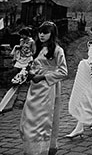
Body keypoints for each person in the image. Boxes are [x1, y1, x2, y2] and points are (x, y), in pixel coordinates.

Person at [20, 21, 68, 155]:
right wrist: (29, 73)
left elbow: (64, 72)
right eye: (40, 32)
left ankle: (41, 148)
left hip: (48, 88)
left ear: (52, 34)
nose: (41, 35)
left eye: (45, 33)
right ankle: (30, 147)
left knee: (42, 118)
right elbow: (34, 65)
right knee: (29, 116)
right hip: (34, 88)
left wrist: (43, 77)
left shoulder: (57, 50)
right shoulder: (38, 48)